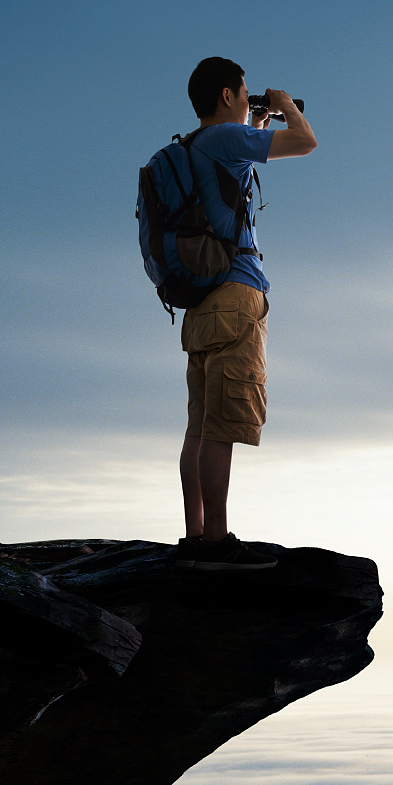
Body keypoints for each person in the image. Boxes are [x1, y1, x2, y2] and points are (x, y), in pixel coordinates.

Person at [171, 57, 317, 571]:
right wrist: (283, 108)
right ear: (229, 94)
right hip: (236, 296)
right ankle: (216, 543)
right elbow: (305, 142)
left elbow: (231, 185)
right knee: (222, 424)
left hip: (200, 303)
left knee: (198, 424)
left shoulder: (193, 147)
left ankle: (194, 535)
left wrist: (254, 124)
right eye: (246, 93)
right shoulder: (225, 141)